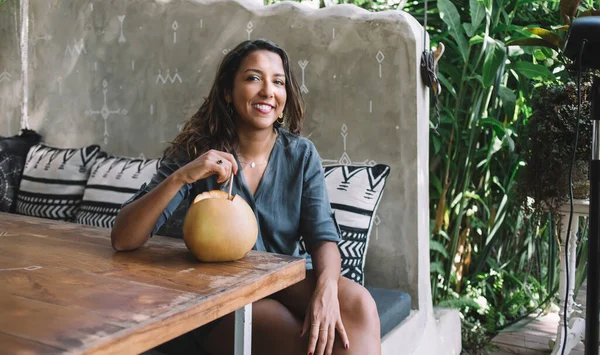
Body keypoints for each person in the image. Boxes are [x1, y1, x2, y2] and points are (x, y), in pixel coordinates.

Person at [111, 39, 381, 355]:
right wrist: (184, 175)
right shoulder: (197, 153)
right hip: (219, 295)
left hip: (278, 281)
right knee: (292, 332)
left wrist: (327, 289)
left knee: (359, 304)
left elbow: (323, 237)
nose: (268, 90)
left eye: (277, 82)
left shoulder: (300, 154)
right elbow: (123, 239)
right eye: (254, 78)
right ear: (228, 91)